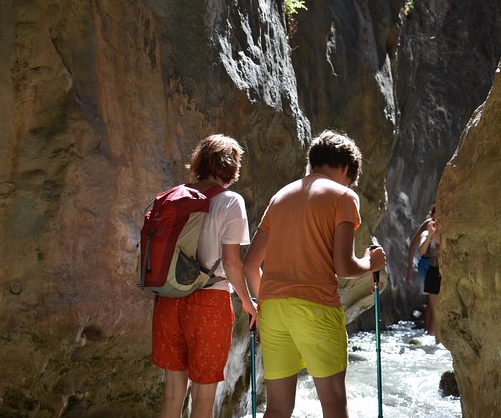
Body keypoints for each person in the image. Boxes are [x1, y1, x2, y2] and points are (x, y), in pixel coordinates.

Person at [243, 130, 386, 418]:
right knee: (333, 404)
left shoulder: (281, 196)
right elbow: (344, 267)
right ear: (346, 168)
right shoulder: (344, 196)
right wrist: (372, 264)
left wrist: (262, 304)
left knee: (278, 408)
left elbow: (249, 264)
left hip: (272, 309)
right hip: (316, 307)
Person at [152, 134, 259, 418]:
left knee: (173, 394)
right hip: (209, 303)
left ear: (199, 162)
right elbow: (231, 261)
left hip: (168, 298)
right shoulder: (230, 201)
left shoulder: (172, 197)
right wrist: (248, 303)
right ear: (231, 167)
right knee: (203, 396)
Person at [406, 207, 441, 342]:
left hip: (441, 271)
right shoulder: (427, 228)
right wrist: (409, 266)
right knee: (434, 306)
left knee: (437, 307)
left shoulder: (448, 229)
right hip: (430, 267)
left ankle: (432, 334)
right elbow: (418, 247)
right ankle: (430, 334)